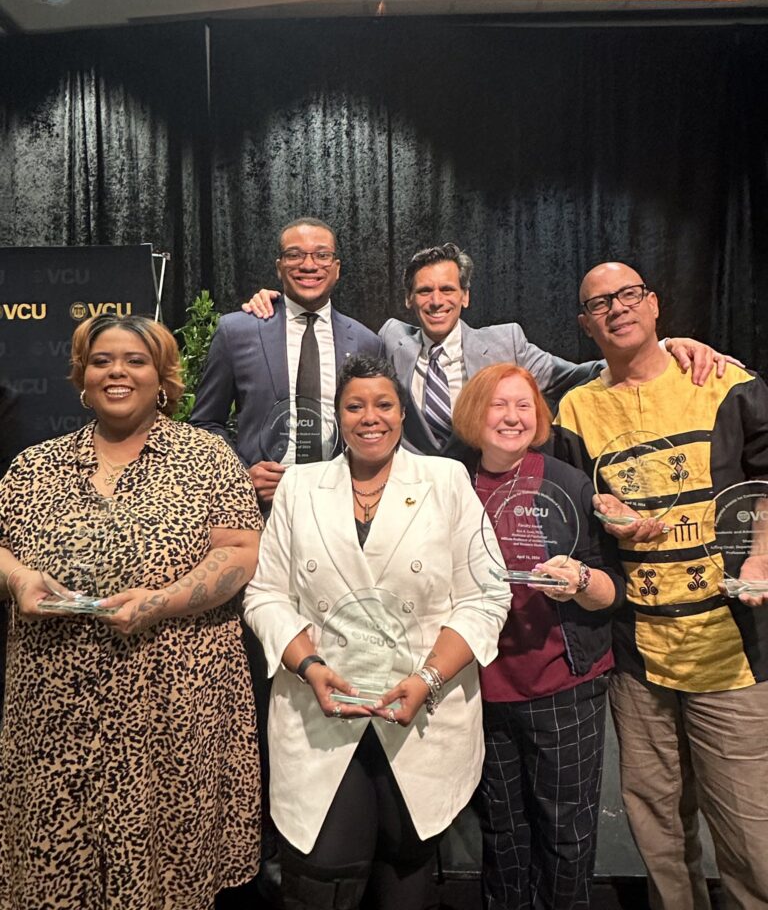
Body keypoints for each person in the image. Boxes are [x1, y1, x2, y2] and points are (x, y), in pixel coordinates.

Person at [0, 313, 263, 910]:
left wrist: (160, 602)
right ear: (81, 377)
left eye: (136, 361)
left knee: (169, 876)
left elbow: (240, 552)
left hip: (174, 714)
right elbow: (2, 551)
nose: (117, 372)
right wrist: (17, 579)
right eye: (102, 361)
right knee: (55, 873)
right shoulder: (33, 466)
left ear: (164, 377)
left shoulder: (208, 460)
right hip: (55, 721)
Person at [242, 354, 510, 910]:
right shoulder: (300, 487)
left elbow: (486, 596)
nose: (371, 417)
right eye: (355, 405)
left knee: (406, 864)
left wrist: (429, 678)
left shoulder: (445, 479)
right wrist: (310, 668)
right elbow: (265, 594)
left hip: (420, 713)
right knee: (320, 874)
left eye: (383, 404)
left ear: (402, 413)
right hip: (321, 711)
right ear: (338, 415)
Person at [553, 262, 768, 910]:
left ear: (653, 304)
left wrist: (758, 560)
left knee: (749, 834)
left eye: (628, 295)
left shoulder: (722, 380)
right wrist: (604, 511)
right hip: (638, 658)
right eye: (600, 303)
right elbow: (575, 504)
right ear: (587, 326)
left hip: (729, 651)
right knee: (657, 826)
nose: (617, 308)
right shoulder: (575, 408)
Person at [244, 242, 733, 458]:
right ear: (410, 301)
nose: (437, 301)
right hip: (409, 491)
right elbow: (330, 336)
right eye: (425, 292)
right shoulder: (389, 338)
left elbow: (582, 373)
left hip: (487, 487)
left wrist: (663, 345)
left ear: (465, 296)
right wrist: (274, 302)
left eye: (447, 290)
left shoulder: (506, 342)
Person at [452, 363, 624, 910]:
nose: (512, 416)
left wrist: (579, 582)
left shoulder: (568, 481)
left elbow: (611, 586)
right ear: (473, 415)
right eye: (499, 405)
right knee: (502, 831)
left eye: (524, 405)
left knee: (566, 833)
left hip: (564, 686)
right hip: (481, 690)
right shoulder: (448, 484)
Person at [190, 217, 383, 509]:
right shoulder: (237, 332)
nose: (308, 265)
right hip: (261, 508)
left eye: (322, 255)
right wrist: (240, 474)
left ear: (337, 268)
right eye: (294, 255)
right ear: (279, 266)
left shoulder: (366, 342)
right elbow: (205, 423)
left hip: (342, 505)